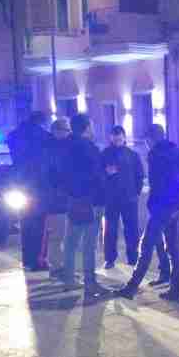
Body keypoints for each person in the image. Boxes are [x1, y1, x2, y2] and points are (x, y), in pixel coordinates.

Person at [115, 124, 179, 302]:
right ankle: (175, 288)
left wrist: (153, 205)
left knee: (146, 245)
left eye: (147, 140)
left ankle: (132, 287)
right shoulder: (175, 150)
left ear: (151, 139)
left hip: (163, 206)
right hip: (177, 204)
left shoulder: (155, 155)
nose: (146, 144)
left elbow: (157, 184)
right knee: (173, 248)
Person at [60, 114, 107, 298]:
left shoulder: (65, 146)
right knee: (89, 244)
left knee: (71, 241)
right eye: (92, 126)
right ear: (87, 127)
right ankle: (90, 282)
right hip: (90, 200)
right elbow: (96, 175)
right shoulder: (88, 148)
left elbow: (59, 174)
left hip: (73, 199)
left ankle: (69, 279)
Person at [6, 111, 51, 271]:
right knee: (40, 224)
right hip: (39, 185)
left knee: (26, 222)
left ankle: (27, 259)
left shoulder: (16, 135)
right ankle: (38, 261)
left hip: (21, 183)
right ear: (42, 122)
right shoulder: (43, 136)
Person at [100, 126, 145, 269]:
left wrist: (135, 192)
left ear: (124, 137)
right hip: (111, 198)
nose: (118, 140)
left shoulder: (132, 154)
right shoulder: (105, 154)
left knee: (131, 229)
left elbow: (139, 175)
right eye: (115, 137)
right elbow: (100, 175)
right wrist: (106, 174)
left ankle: (133, 257)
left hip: (129, 198)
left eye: (120, 137)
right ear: (110, 138)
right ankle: (110, 258)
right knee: (110, 229)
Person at [42, 117, 72, 278]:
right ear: (57, 131)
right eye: (66, 130)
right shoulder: (53, 150)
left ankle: (60, 266)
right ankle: (56, 267)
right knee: (58, 235)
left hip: (62, 198)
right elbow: (54, 175)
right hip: (57, 199)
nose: (68, 133)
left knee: (63, 235)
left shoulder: (54, 147)